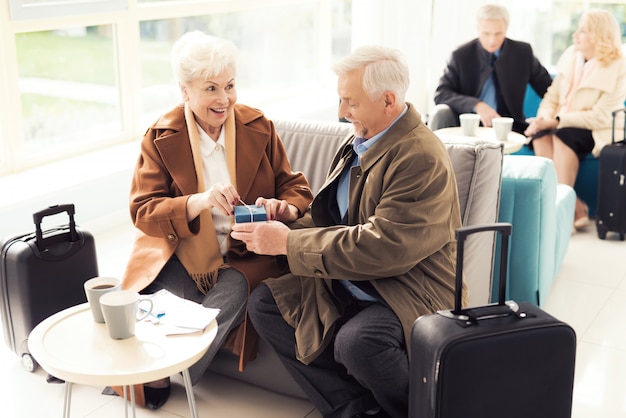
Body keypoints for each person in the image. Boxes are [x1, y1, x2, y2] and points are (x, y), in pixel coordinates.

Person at [232, 45, 465, 418]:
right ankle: (355, 410)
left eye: (349, 102)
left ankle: (421, 411)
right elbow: (333, 222)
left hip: (405, 288)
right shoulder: (361, 143)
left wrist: (289, 243)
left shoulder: (420, 156)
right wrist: (287, 220)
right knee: (266, 304)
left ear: (388, 100)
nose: (342, 113)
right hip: (351, 279)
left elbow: (383, 247)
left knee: (359, 342)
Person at [116, 31, 313, 409]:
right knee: (153, 302)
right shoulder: (160, 136)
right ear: (185, 92)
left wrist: (284, 207)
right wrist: (198, 202)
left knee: (231, 294)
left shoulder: (259, 126)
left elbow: (295, 188)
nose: (224, 99)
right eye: (210, 88)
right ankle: (141, 367)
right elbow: (143, 210)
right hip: (180, 252)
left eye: (230, 85)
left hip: (243, 256)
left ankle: (172, 371)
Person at [524, 9, 626, 230]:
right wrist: (544, 119)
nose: (575, 35)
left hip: (596, 127)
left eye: (582, 31)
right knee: (540, 137)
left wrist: (557, 121)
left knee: (562, 137)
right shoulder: (571, 55)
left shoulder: (619, 65)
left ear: (598, 35)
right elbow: (552, 95)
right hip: (561, 122)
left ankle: (560, 216)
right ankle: (573, 207)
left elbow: (600, 116)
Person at [430, 4, 553, 134]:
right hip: (466, 126)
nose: (492, 41)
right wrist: (476, 105)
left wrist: (551, 116)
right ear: (477, 29)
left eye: (498, 33)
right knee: (441, 112)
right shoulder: (461, 55)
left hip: (508, 126)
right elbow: (441, 93)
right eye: (486, 33)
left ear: (506, 29)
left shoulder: (523, 52)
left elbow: (549, 89)